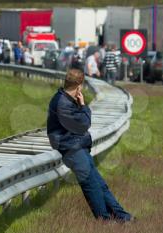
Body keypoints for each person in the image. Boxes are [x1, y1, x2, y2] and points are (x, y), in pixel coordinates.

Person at [47, 69, 134, 222]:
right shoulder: (62, 103)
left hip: (78, 145)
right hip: (71, 149)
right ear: (79, 86)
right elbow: (84, 124)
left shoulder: (66, 99)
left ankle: (122, 217)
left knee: (100, 185)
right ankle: (104, 221)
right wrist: (83, 106)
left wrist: (80, 106)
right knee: (92, 186)